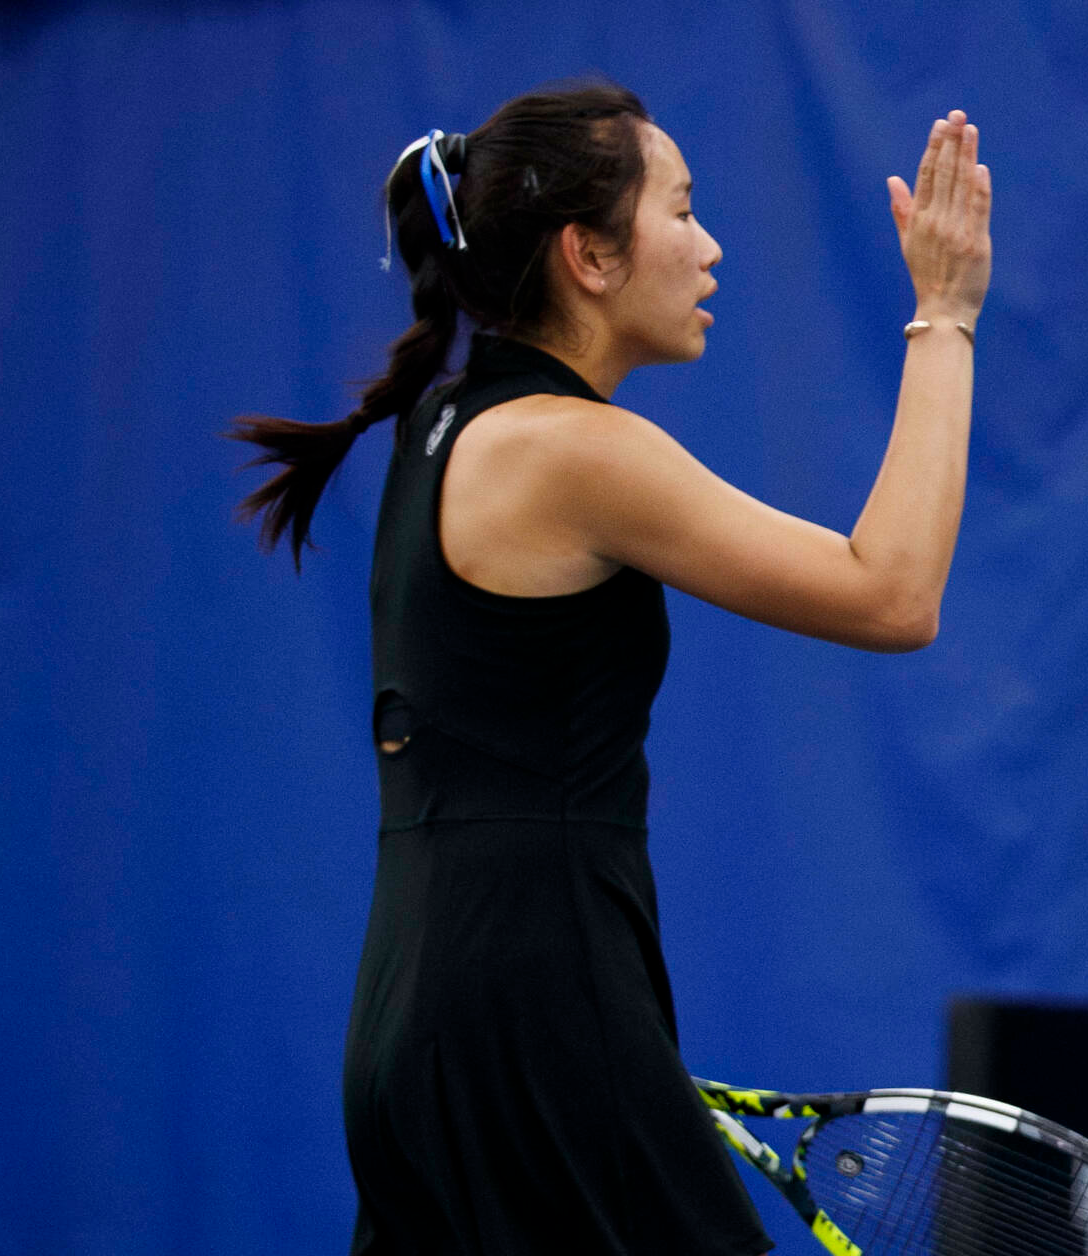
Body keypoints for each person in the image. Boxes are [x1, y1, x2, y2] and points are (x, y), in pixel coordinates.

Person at [229, 82, 992, 1255]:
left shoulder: (442, 430)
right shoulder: (571, 451)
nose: (709, 245)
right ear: (587, 254)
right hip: (536, 1001)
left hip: (415, 1016)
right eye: (680, 210)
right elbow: (892, 593)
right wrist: (943, 314)